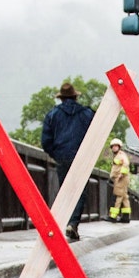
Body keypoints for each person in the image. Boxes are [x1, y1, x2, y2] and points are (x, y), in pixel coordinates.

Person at [41, 82, 94, 241]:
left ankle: (64, 223)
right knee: (79, 191)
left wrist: (56, 154)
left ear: (61, 98)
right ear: (75, 96)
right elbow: (97, 132)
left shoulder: (52, 115)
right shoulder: (87, 114)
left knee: (66, 190)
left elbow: (46, 141)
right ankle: (73, 223)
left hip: (62, 157)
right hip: (81, 156)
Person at [108, 138, 132, 223]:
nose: (114, 148)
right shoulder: (118, 155)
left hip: (121, 179)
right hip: (122, 179)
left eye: (116, 146)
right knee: (124, 197)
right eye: (113, 146)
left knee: (118, 196)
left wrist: (121, 174)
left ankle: (113, 216)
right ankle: (126, 217)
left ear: (119, 147)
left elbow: (126, 164)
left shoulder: (121, 155)